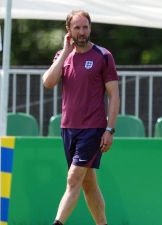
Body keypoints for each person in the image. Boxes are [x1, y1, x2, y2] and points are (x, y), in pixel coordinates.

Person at [42, 10, 120, 225]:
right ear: (69, 30)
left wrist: (109, 129)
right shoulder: (62, 56)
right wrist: (66, 52)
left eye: (85, 27)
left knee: (73, 178)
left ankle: (57, 223)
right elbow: (48, 82)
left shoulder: (103, 56)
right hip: (68, 128)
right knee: (88, 184)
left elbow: (114, 96)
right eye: (77, 27)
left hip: (93, 129)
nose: (82, 31)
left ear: (90, 28)